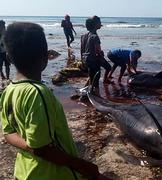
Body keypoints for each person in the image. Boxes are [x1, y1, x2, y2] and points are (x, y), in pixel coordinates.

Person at [0, 22, 108, 180]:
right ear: (46, 57)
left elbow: (8, 134)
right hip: (51, 174)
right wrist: (84, 167)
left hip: (24, 171)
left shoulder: (8, 91)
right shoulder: (38, 93)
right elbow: (41, 147)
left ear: (9, 58)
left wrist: (29, 146)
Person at [81, 16, 112, 94]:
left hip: (86, 59)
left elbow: (82, 49)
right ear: (95, 24)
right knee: (96, 79)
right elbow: (98, 51)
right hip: (94, 60)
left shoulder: (84, 36)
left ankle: (85, 91)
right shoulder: (95, 37)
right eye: (100, 22)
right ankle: (96, 95)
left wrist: (82, 60)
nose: (101, 24)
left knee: (92, 76)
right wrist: (101, 53)